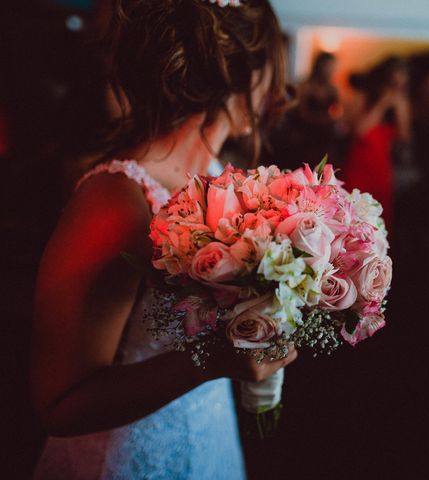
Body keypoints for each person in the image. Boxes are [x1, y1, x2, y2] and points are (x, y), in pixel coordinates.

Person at [30, 1, 296, 479]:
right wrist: (210, 360)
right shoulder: (118, 199)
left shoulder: (220, 179)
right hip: (127, 458)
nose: (275, 96)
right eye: (274, 74)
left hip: (208, 437)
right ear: (245, 77)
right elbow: (59, 402)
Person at [342, 57, 412, 232]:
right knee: (352, 218)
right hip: (358, 166)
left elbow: (404, 137)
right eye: (392, 83)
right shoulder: (362, 97)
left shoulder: (401, 103)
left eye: (401, 84)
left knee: (380, 221)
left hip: (381, 168)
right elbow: (359, 131)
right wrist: (382, 103)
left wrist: (399, 110)